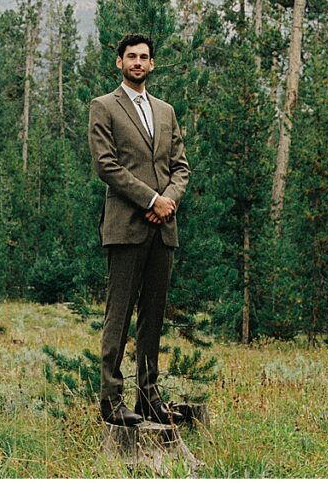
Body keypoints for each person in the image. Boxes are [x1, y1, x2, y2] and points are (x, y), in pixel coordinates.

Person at [87, 33, 190, 427]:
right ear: (119, 63)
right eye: (131, 56)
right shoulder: (104, 107)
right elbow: (107, 166)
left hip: (163, 229)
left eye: (144, 57)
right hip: (127, 227)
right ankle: (111, 401)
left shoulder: (165, 111)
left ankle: (149, 397)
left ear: (152, 64)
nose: (138, 62)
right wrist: (151, 200)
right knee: (119, 316)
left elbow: (181, 166)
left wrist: (169, 201)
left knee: (153, 316)